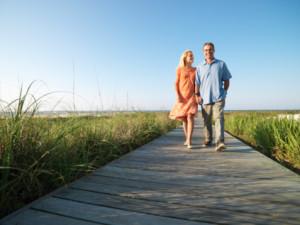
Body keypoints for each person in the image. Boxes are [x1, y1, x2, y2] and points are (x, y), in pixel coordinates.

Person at [195, 42, 232, 151]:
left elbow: (227, 79)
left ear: (214, 50)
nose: (208, 52)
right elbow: (197, 82)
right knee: (207, 120)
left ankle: (219, 141)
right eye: (206, 50)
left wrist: (224, 92)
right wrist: (197, 95)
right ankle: (208, 138)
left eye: (210, 49)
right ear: (203, 52)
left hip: (218, 97)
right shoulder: (200, 66)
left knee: (219, 118)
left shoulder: (221, 64)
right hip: (204, 97)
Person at [169, 50, 198, 149]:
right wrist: (177, 95)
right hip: (182, 97)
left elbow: (197, 83)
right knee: (184, 119)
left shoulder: (196, 70)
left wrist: (197, 95)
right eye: (190, 56)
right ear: (185, 58)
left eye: (192, 55)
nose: (192, 57)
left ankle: (189, 140)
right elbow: (176, 83)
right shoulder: (179, 69)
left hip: (192, 97)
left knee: (190, 117)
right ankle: (187, 138)